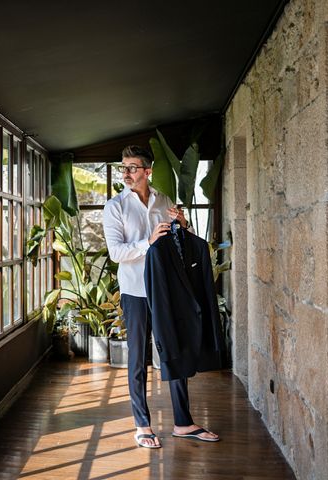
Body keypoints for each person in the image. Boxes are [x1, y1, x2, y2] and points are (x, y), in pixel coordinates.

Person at [102, 145, 219, 448]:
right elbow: (116, 253)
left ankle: (183, 422)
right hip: (136, 291)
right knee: (138, 359)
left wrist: (183, 224)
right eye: (123, 167)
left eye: (132, 167)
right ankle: (142, 425)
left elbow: (177, 242)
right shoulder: (115, 206)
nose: (126, 173)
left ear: (147, 171)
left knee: (175, 350)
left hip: (167, 291)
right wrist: (147, 243)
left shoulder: (163, 200)